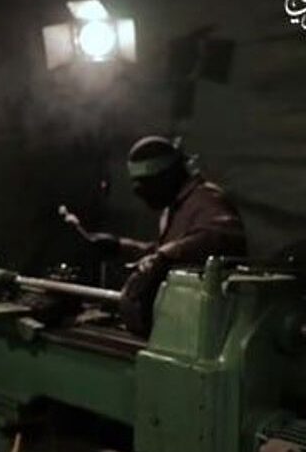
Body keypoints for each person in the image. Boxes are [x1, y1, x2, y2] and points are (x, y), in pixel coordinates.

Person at [83, 136, 246, 336]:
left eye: (146, 185)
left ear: (168, 176)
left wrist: (162, 257)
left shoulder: (206, 199)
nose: (141, 194)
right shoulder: (174, 206)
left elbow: (219, 237)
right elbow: (168, 253)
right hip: (181, 318)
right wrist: (119, 246)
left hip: (206, 325)